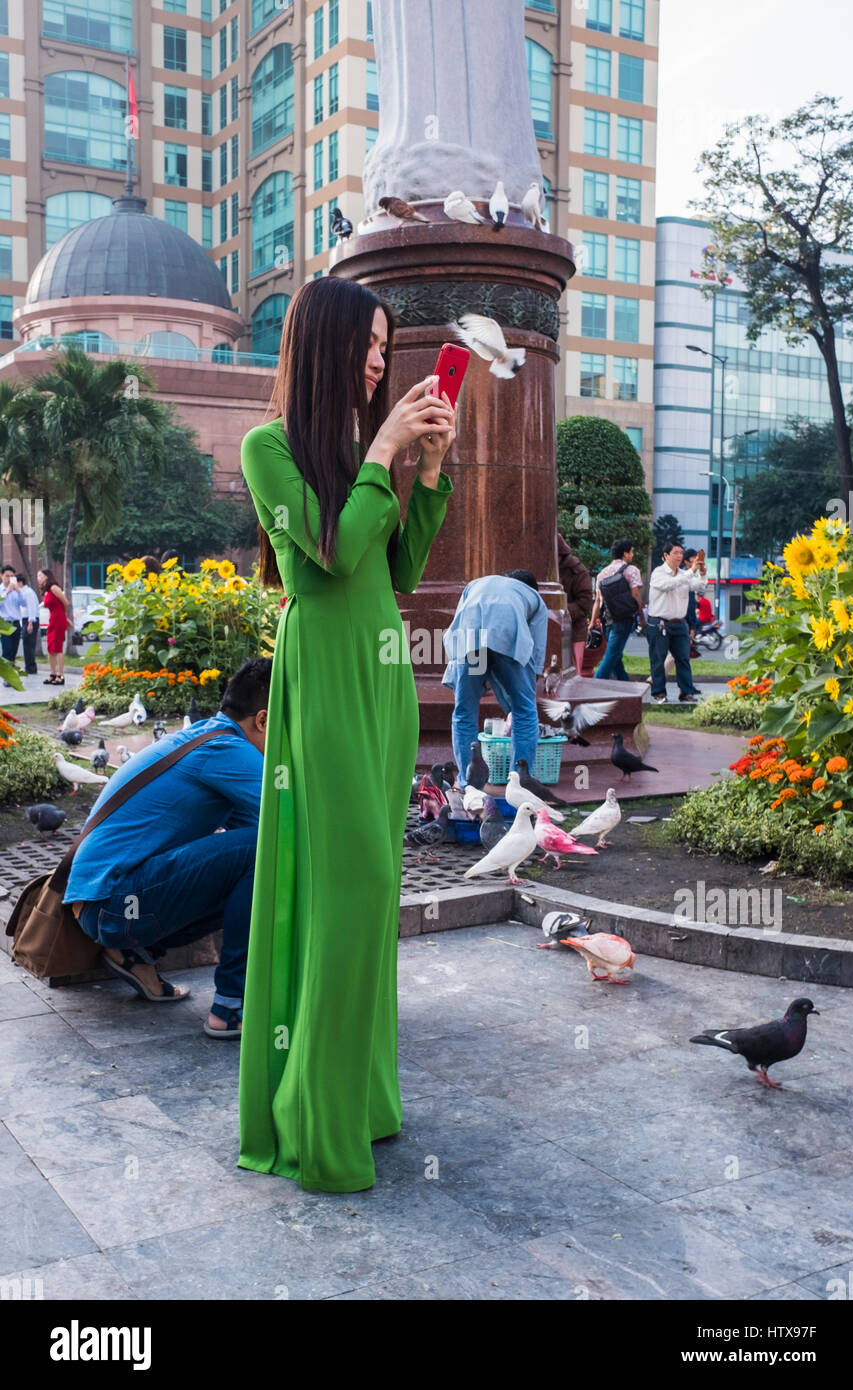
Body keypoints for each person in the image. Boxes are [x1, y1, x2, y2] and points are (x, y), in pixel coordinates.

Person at [238, 276, 455, 1193]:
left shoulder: (351, 448)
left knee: (374, 898)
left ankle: (361, 1100)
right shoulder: (269, 447)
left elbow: (396, 564)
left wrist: (429, 472)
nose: (379, 362)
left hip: (382, 681)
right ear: (324, 348)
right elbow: (324, 556)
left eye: (384, 345)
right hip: (324, 678)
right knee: (350, 888)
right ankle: (315, 1121)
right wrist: (384, 451)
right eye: (367, 346)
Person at [63, 658, 271, 1036]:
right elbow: (286, 827)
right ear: (262, 720)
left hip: (100, 905)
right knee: (263, 850)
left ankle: (137, 955)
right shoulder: (229, 751)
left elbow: (243, 839)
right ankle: (231, 1007)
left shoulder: (209, 736)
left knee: (248, 856)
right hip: (112, 904)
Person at [443, 570, 548, 785]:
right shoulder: (535, 598)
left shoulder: (475, 584)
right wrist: (526, 685)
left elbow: (459, 622)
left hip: (470, 637)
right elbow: (536, 651)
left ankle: (467, 782)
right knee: (525, 712)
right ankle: (520, 781)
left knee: (464, 712)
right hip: (509, 632)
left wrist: (463, 680)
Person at [646, 542, 707, 704]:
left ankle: (686, 692)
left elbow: (699, 586)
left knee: (683, 659)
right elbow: (669, 585)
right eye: (676, 553)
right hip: (659, 623)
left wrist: (701, 574)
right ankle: (659, 693)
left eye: (681, 553)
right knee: (658, 660)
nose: (680, 556)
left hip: (679, 623)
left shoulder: (683, 574)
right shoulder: (658, 573)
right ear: (666, 555)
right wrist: (691, 572)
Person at [588, 539, 644, 681]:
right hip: (624, 618)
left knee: (615, 656)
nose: (632, 555)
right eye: (631, 552)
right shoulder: (631, 570)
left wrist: (592, 622)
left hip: (607, 619)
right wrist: (641, 617)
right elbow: (636, 594)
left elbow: (598, 601)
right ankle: (594, 685)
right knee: (612, 656)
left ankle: (625, 685)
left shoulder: (602, 573)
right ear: (625, 554)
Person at [556, 533, 593, 675]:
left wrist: (562, 613)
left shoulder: (578, 570)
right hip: (553, 628)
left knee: (575, 669)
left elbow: (585, 602)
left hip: (575, 629)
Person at [37, 567, 71, 685]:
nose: (38, 578)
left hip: (58, 618)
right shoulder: (46, 591)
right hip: (52, 619)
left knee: (58, 648)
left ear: (46, 576)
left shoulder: (54, 588)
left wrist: (64, 617)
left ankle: (61, 676)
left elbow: (65, 603)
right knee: (50, 648)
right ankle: (52, 674)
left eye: (40, 576)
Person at [0, 564, 22, 685]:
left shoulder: (16, 590)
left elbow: (23, 603)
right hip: (5, 624)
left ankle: (11, 675)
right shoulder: (1, 590)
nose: (9, 578)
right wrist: (7, 592)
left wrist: (18, 591)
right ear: (1, 576)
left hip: (16, 624)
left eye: (12, 576)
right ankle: (7, 678)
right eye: (7, 576)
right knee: (7, 651)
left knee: (13, 651)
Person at [16, 574, 40, 676]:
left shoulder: (28, 592)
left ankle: (30, 667)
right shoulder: (23, 592)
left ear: (20, 582)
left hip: (30, 619)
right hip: (27, 619)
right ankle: (30, 666)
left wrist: (30, 623)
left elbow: (31, 607)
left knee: (29, 644)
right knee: (27, 644)